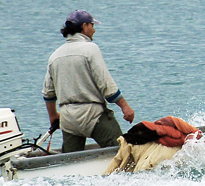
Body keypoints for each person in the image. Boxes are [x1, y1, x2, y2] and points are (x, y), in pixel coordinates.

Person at [42, 10, 135, 153]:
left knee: (69, 161)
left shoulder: (54, 56)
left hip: (68, 118)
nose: (94, 30)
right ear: (84, 26)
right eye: (92, 25)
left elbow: (48, 93)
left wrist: (53, 116)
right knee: (122, 151)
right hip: (92, 115)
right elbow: (106, 85)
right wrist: (125, 107)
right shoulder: (90, 49)